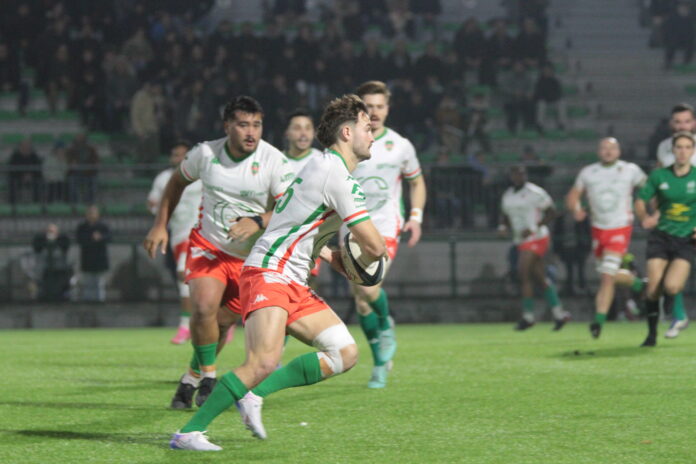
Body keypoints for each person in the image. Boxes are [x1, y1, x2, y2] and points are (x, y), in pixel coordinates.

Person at [168, 94, 386, 451]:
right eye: (366, 127)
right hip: (270, 272)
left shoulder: (320, 166)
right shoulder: (337, 178)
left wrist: (336, 258)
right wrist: (367, 260)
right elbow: (375, 247)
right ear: (347, 132)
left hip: (291, 278)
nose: (373, 134)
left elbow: (300, 228)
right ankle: (188, 433)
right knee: (263, 361)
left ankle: (253, 396)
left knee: (344, 353)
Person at [143, 96, 296, 410]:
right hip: (209, 246)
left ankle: (190, 379)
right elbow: (175, 183)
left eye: (257, 125)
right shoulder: (205, 154)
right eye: (243, 125)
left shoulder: (274, 160)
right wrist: (160, 225)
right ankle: (209, 379)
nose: (251, 132)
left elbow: (290, 207)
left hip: (249, 257)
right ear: (227, 126)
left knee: (223, 323)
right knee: (203, 308)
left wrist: (257, 221)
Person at [343, 80, 427, 389]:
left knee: (367, 289)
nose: (375, 112)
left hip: (385, 226)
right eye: (369, 106)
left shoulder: (400, 145)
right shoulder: (345, 141)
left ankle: (385, 332)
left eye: (380, 106)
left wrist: (415, 217)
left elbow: (416, 182)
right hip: (350, 228)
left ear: (388, 109)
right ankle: (380, 356)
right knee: (362, 301)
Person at [565, 138, 647, 338]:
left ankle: (598, 321)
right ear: (598, 151)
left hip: (620, 226)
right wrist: (576, 209)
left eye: (612, 148)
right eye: (604, 148)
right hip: (597, 230)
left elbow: (649, 188)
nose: (608, 151)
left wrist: (648, 211)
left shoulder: (630, 170)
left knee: (607, 276)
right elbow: (573, 196)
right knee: (608, 274)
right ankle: (639, 284)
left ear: (619, 151)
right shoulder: (588, 172)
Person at [635, 131, 696, 346]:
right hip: (661, 236)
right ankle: (651, 334)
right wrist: (644, 217)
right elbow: (640, 200)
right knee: (652, 289)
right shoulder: (659, 175)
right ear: (672, 150)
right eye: (679, 147)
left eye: (687, 147)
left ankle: (672, 305)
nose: (683, 152)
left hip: (686, 239)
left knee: (671, 287)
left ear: (693, 150)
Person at [499, 165, 569, 330]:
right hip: (520, 239)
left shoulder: (535, 192)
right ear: (511, 176)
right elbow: (505, 215)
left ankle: (528, 316)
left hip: (537, 237)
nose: (519, 177)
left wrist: (534, 227)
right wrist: (502, 227)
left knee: (523, 273)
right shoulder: (508, 195)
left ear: (525, 175)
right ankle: (559, 314)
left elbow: (552, 212)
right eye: (515, 174)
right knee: (539, 278)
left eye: (521, 174)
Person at [146, 140, 202, 344]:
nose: (178, 158)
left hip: (198, 233)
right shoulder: (163, 179)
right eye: (175, 155)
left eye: (182, 155)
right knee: (187, 282)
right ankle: (211, 321)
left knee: (183, 273)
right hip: (177, 235)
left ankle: (186, 326)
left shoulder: (201, 176)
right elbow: (152, 204)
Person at [654, 103, 695, 336]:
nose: (682, 126)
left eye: (686, 121)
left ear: (694, 123)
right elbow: (661, 179)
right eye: (678, 122)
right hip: (677, 219)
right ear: (671, 124)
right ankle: (679, 315)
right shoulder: (664, 147)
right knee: (672, 264)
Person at [283, 109, 324, 289]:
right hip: (280, 238)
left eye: (308, 128)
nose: (303, 133)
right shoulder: (277, 161)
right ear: (287, 133)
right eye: (297, 128)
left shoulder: (322, 161)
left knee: (304, 289)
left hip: (310, 237)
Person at [75, 205, 111, 302]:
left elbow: (109, 237)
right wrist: (91, 237)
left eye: (93, 213)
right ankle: (88, 303)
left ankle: (100, 302)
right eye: (89, 213)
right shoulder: (82, 227)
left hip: (100, 259)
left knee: (99, 284)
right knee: (88, 283)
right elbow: (79, 238)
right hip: (87, 259)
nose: (91, 215)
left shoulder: (103, 226)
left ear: (97, 214)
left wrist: (101, 237)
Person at [33, 223, 71, 302]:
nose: (51, 234)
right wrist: (48, 241)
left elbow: (65, 247)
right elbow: (37, 248)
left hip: (59, 270)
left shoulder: (62, 240)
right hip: (45, 270)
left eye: (53, 231)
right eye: (49, 231)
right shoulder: (41, 240)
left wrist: (55, 240)